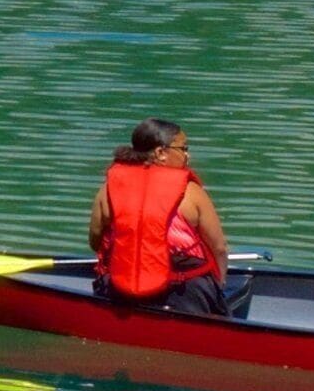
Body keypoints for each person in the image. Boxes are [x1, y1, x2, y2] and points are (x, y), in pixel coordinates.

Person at [90, 118, 239, 316]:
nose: (188, 156)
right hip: (184, 292)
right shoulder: (190, 191)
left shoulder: (108, 189)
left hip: (120, 289)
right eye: (183, 149)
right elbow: (219, 248)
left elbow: (96, 242)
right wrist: (218, 286)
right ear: (161, 153)